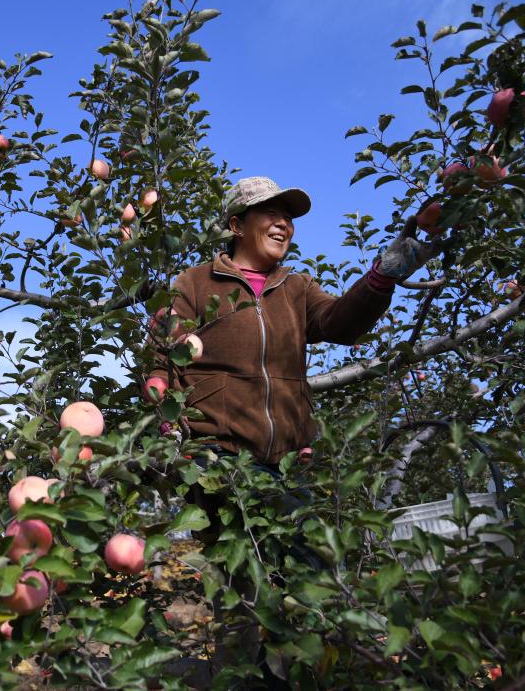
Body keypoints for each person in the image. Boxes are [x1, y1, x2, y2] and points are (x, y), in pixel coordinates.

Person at [147, 176, 442, 688]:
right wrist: (167, 418)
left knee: (267, 577)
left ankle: (274, 675)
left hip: (286, 460)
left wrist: (382, 276)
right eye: (271, 213)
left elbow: (341, 323)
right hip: (218, 455)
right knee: (289, 569)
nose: (283, 223)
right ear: (237, 224)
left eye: (289, 216)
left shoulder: (296, 288)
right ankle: (293, 671)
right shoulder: (194, 284)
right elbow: (164, 356)